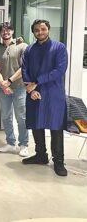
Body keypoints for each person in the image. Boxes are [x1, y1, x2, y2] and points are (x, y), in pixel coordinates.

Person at [22, 19, 68, 177]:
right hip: (33, 92)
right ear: (33, 32)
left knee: (56, 127)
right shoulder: (29, 50)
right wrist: (30, 88)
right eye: (36, 30)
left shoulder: (59, 47)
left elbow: (60, 70)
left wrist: (37, 82)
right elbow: (25, 69)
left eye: (43, 29)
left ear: (48, 29)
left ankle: (59, 161)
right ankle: (41, 155)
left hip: (53, 93)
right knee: (36, 125)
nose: (40, 32)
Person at [0, 23, 29, 157]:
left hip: (19, 87)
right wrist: (3, 84)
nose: (5, 32)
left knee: (21, 117)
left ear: (12, 31)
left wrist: (9, 81)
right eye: (3, 30)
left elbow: (23, 68)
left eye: (8, 30)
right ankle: (10, 143)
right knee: (6, 116)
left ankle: (24, 144)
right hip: (3, 88)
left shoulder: (22, 46)